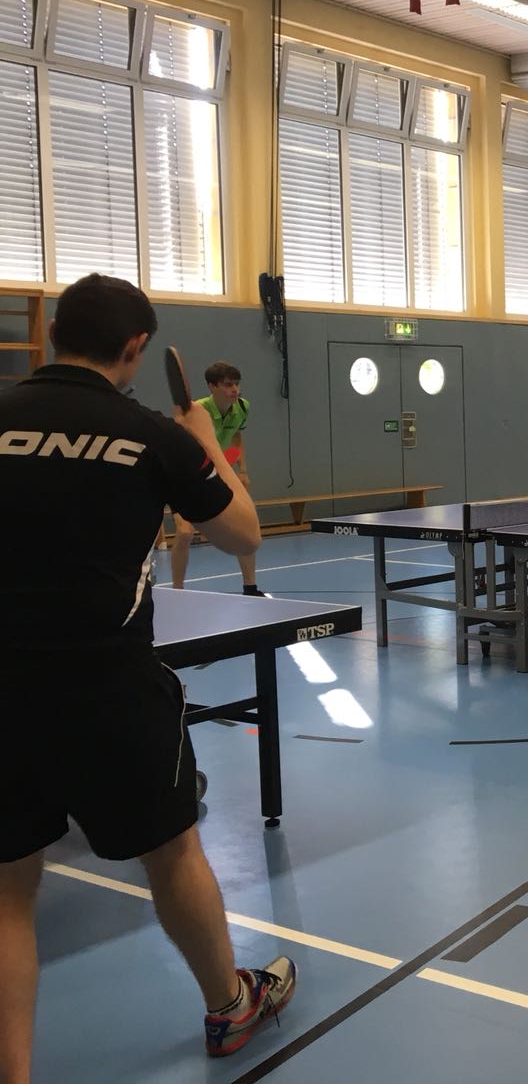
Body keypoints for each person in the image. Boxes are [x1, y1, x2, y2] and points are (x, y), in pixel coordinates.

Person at [0, 275, 295, 1076]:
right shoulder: (150, 435)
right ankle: (231, 1008)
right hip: (112, 691)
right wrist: (201, 437)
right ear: (134, 349)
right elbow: (243, 533)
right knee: (173, 854)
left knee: (8, 893)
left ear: (54, 333)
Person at [169, 360, 258, 594]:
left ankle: (251, 587)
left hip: (219, 470)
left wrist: (242, 469)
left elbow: (237, 436)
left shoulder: (242, 407)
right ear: (212, 387)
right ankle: (177, 591)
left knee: (245, 529)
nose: (235, 389)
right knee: (185, 533)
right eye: (228, 385)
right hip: (187, 474)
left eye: (236, 384)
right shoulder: (195, 411)